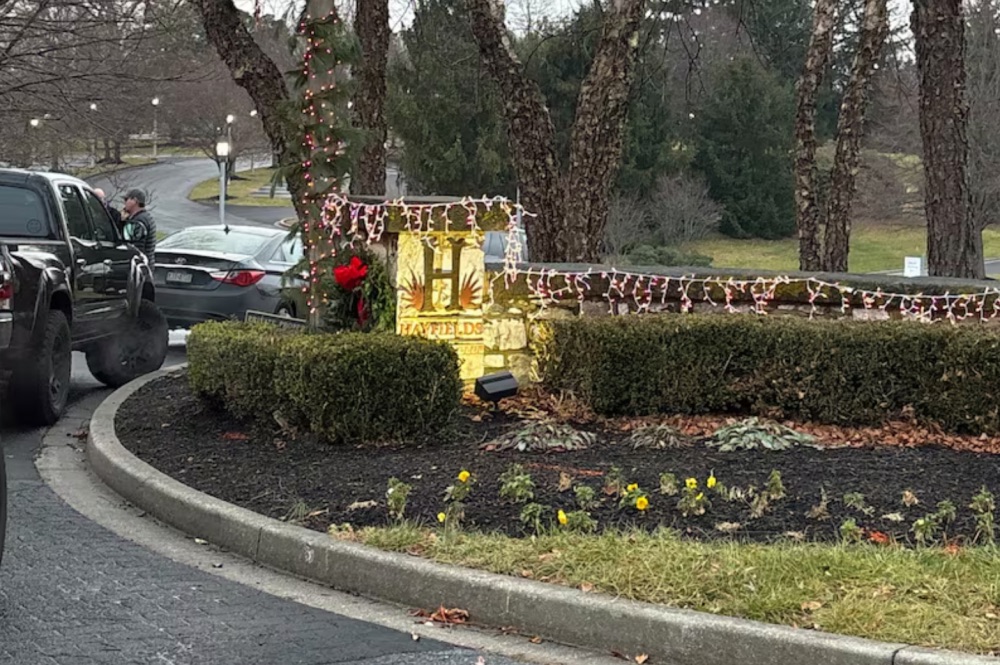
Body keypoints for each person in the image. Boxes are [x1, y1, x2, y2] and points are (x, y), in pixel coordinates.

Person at [121, 188, 156, 266]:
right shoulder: (147, 217)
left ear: (134, 201)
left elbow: (136, 248)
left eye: (126, 199)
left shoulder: (138, 221)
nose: (124, 203)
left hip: (140, 267)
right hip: (148, 264)